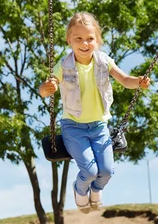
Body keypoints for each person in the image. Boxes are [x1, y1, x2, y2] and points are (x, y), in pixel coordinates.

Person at [39, 12, 150, 213]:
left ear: (97, 40)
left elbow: (125, 80)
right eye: (78, 38)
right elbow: (47, 86)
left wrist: (139, 81)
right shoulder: (63, 65)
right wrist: (46, 88)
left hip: (99, 127)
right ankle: (80, 191)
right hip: (74, 127)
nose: (85, 43)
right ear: (69, 40)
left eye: (90, 38)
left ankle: (96, 190)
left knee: (106, 171)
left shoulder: (104, 61)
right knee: (89, 171)